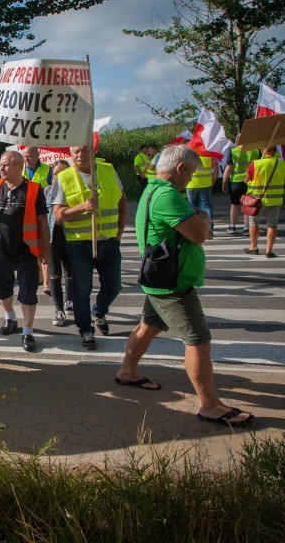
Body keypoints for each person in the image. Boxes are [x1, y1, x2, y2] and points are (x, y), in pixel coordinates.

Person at [116, 144, 255, 427]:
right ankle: (209, 405)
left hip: (160, 279)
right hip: (173, 283)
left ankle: (127, 371)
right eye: (190, 174)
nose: (191, 180)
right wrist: (203, 217)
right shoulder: (168, 196)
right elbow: (200, 234)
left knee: (148, 326)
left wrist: (198, 220)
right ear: (180, 168)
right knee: (198, 341)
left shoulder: (152, 189)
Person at [52, 145, 127, 350]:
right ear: (70, 154)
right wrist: (82, 207)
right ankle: (85, 330)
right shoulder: (64, 177)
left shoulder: (108, 170)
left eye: (84, 150)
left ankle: (99, 311)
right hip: (79, 244)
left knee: (114, 285)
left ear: (92, 152)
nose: (80, 155)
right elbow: (58, 216)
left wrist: (120, 230)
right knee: (82, 290)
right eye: (76, 151)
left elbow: (122, 200)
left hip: (109, 241)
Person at [0, 150, 51, 352]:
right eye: (0, 164)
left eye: (6, 164)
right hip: (0, 250)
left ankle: (27, 331)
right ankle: (10, 317)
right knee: (3, 288)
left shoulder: (34, 190)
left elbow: (42, 221)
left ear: (19, 166)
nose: (1, 168)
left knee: (28, 293)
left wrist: (46, 250)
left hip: (26, 250)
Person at [46, 159, 74, 326]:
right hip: (51, 237)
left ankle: (69, 300)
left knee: (70, 272)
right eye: (56, 173)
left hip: (70, 236)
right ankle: (59, 310)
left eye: (63, 173)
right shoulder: (46, 191)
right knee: (54, 274)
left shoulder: (74, 192)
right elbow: (41, 218)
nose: (58, 177)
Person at [21, 146, 53, 294]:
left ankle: (47, 282)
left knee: (45, 244)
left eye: (29, 156)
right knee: (31, 244)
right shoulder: (20, 168)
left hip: (44, 212)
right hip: (26, 212)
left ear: (37, 155)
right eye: (24, 156)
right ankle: (39, 275)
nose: (26, 159)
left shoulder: (48, 169)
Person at [244, 146, 285, 258]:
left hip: (257, 200)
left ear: (263, 150)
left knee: (254, 223)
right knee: (272, 225)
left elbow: (246, 180)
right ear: (275, 151)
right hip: (275, 199)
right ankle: (269, 250)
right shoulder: (282, 164)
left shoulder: (256, 163)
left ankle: (254, 246)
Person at [221, 145, 259, 236]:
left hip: (236, 182)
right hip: (249, 182)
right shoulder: (255, 151)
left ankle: (232, 226)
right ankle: (246, 228)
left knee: (234, 205)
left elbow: (228, 168)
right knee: (247, 204)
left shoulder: (233, 151)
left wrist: (224, 182)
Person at [185, 152, 217, 239]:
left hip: (191, 184)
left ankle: (195, 229)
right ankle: (209, 228)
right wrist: (212, 182)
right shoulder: (209, 154)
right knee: (206, 206)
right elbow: (215, 169)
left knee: (192, 207)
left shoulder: (189, 155)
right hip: (206, 184)